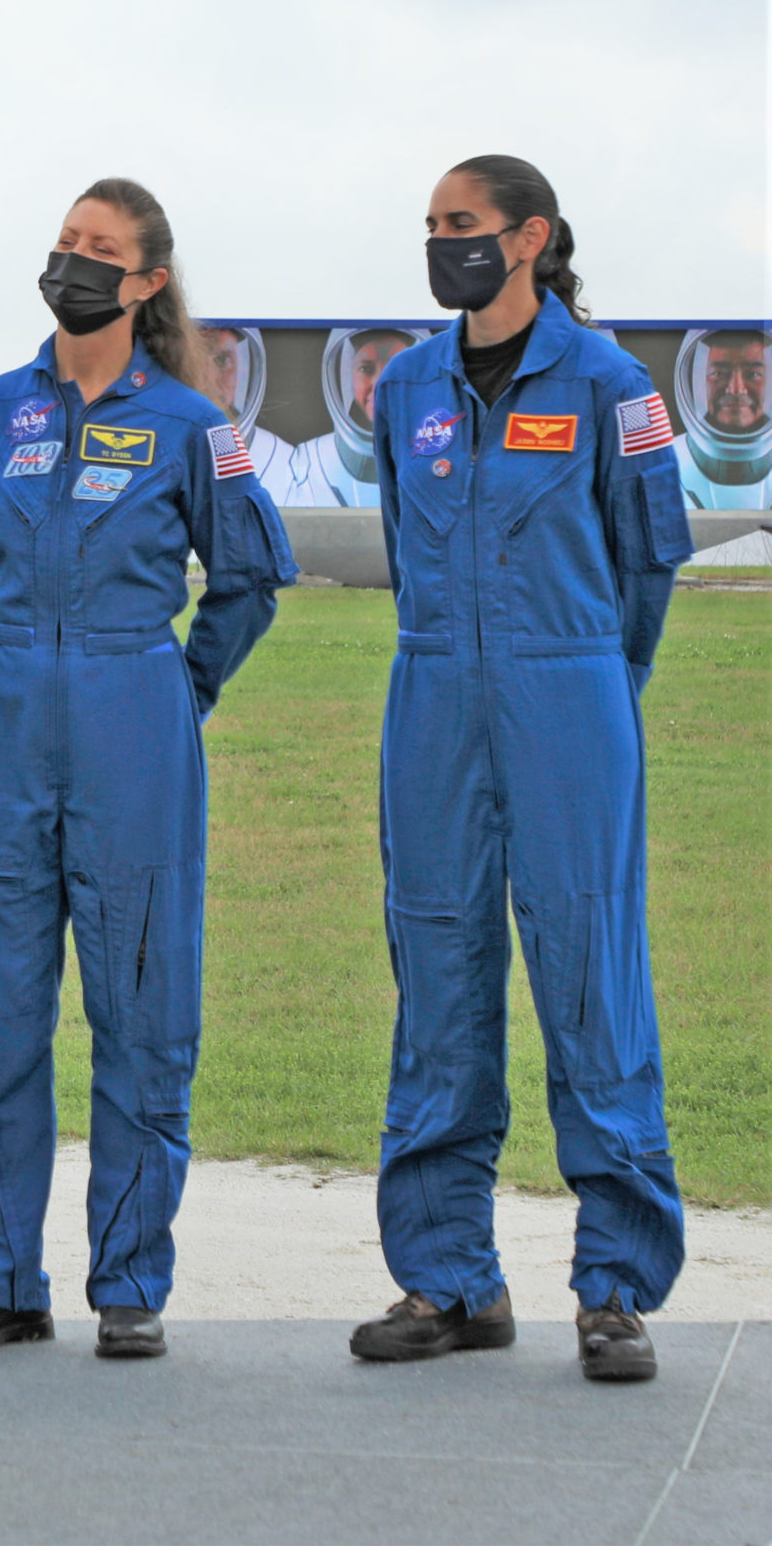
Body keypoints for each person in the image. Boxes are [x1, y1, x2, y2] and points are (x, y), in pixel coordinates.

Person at [0, 178, 294, 1362]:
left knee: (141, 1011)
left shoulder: (192, 425)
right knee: (1, 1019)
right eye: (63, 243)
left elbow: (248, 579)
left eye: (100, 250)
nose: (72, 261)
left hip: (137, 719)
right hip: (4, 723)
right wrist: (18, 664)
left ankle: (129, 1278)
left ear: (145, 283)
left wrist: (177, 687)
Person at [352, 154, 692, 1383]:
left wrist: (590, 683)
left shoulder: (611, 386)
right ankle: (448, 1280)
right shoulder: (406, 390)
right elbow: (399, 538)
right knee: (436, 972)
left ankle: (613, 1287)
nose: (443, 242)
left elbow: (646, 568)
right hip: (433, 695)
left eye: (463, 223)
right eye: (432, 223)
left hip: (568, 693)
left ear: (530, 237)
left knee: (590, 974)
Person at [271, 326, 420, 505]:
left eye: (396, 368)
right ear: (343, 376)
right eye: (366, 369)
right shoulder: (305, 462)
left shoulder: (442, 451)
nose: (380, 383)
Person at [670, 326, 770, 509]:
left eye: (753, 374)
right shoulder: (658, 465)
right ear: (692, 382)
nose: (736, 389)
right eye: (719, 374)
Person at [200, 323, 299, 487]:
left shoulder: (286, 464)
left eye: (221, 360)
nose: (206, 381)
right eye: (191, 362)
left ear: (247, 369)